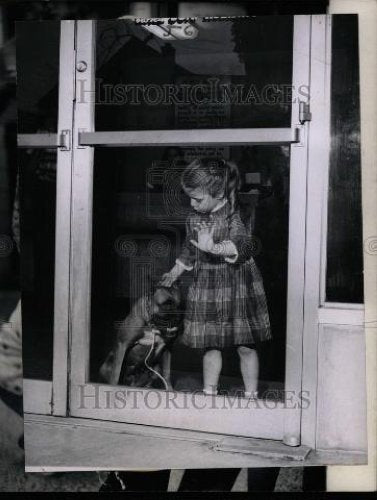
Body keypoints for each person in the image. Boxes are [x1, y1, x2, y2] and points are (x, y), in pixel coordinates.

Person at [160, 158, 271, 397]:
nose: (192, 203)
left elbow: (242, 244)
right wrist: (174, 272)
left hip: (237, 282)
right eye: (190, 197)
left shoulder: (236, 213)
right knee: (211, 344)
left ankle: (251, 396)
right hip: (208, 284)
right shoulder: (193, 218)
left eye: (197, 198)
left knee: (245, 344)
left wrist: (214, 248)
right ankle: (210, 393)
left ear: (219, 192)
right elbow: (190, 250)